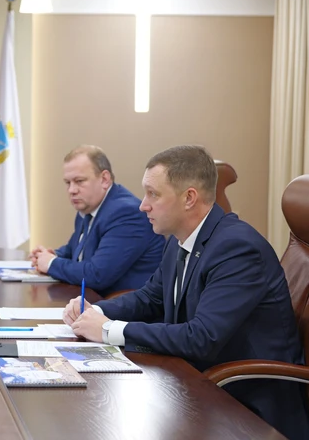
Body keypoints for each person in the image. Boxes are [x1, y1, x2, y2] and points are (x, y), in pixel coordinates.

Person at [64, 145, 309, 440]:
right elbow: (151, 297)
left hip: (249, 402)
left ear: (189, 198)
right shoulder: (178, 239)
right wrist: (96, 311)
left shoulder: (237, 248)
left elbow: (201, 337)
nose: (143, 206)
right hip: (198, 381)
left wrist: (108, 330)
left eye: (153, 194)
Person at [31, 145, 164, 296]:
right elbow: (75, 250)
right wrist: (50, 254)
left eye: (79, 181)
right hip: (93, 301)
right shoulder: (88, 208)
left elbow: (97, 275)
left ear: (104, 179)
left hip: (123, 305)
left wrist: (50, 263)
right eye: (68, 183)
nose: (72, 190)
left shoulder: (126, 213)